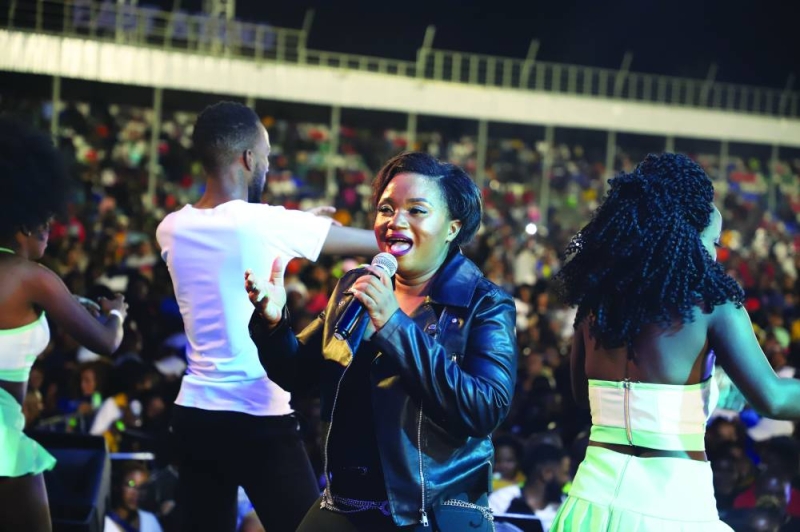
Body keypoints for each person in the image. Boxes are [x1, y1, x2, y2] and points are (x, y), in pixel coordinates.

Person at [247, 151, 518, 531]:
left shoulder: (484, 303)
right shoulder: (356, 287)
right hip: (346, 504)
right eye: (386, 209)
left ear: (452, 228)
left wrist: (393, 325)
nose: (396, 221)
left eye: (417, 210)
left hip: (429, 513)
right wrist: (274, 323)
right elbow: (297, 374)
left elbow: (484, 408)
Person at [154, 101, 379, 532]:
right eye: (267, 156)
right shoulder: (266, 223)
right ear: (248, 158)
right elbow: (376, 242)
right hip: (257, 415)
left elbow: (241, 239)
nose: (268, 165)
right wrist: (301, 229)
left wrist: (297, 226)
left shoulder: (171, 228)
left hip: (195, 415)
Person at [548, 153, 800, 531]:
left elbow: (583, 398)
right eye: (713, 242)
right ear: (685, 237)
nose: (715, 255)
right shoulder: (713, 306)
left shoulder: (595, 307)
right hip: (672, 507)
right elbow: (774, 399)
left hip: (590, 504)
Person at [0, 116, 128, 532]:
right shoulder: (33, 278)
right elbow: (106, 343)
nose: (51, 231)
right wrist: (116, 313)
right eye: (47, 222)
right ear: (24, 222)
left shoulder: (29, 283)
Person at [104, 462, 164, 532]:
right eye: (131, 484)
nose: (136, 492)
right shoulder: (105, 524)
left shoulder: (149, 520)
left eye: (143, 487)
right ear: (117, 486)